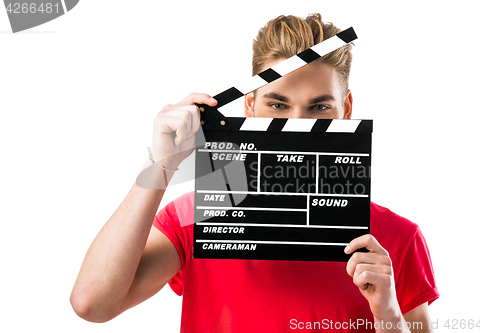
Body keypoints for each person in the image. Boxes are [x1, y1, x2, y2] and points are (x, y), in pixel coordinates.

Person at [70, 13, 439, 332]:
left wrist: (388, 313)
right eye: (278, 104)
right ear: (250, 106)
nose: (297, 124)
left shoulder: (396, 240)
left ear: (346, 109)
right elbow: (92, 304)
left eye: (319, 107)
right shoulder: (197, 219)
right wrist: (161, 165)